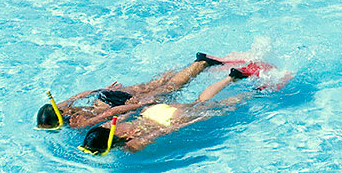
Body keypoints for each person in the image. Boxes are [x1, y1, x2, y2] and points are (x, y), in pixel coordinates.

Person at [78, 64, 261, 154]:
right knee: (198, 101)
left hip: (169, 119)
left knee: (216, 106)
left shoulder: (131, 146)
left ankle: (256, 92)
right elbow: (125, 114)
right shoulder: (107, 126)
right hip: (150, 112)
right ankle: (231, 77)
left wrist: (192, 121)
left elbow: (163, 132)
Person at [36, 53, 229, 130]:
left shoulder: (78, 123)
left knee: (168, 89)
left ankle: (202, 63)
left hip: (118, 104)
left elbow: (110, 113)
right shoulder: (60, 106)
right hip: (104, 96)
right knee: (155, 83)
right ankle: (193, 63)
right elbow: (80, 95)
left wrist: (138, 106)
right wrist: (104, 89)